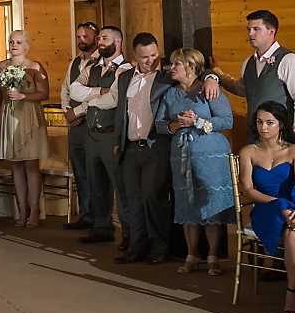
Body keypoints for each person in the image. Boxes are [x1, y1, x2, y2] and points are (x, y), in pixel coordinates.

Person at [157, 48, 234, 276]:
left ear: (191, 67)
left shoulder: (208, 89)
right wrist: (177, 124)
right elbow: (160, 124)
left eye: (176, 64)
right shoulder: (170, 94)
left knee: (210, 203)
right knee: (186, 202)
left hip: (211, 155)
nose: (171, 68)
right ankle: (192, 253)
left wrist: (197, 121)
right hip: (181, 155)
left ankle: (213, 256)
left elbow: (226, 120)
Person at [111, 33, 175, 264]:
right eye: (145, 57)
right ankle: (137, 246)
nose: (151, 61)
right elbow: (122, 110)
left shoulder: (167, 75)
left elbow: (196, 70)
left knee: (153, 198)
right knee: (134, 199)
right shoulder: (125, 77)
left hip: (155, 146)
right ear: (135, 56)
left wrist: (212, 78)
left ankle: (159, 247)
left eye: (154, 55)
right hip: (129, 146)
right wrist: (118, 140)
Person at [67, 26, 133, 247]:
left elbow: (114, 99)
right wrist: (99, 92)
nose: (100, 42)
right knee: (96, 184)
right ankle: (102, 228)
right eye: (100, 38)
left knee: (120, 186)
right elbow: (74, 89)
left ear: (118, 42)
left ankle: (129, 233)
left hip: (111, 134)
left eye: (105, 38)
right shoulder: (92, 67)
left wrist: (86, 103)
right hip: (92, 134)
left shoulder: (125, 69)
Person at [238, 101, 295, 313]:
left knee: (292, 234)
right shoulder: (248, 151)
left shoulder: (292, 150)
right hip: (264, 209)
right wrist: (277, 204)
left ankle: (291, 293)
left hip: (291, 211)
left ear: (281, 124)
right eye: (260, 122)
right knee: (283, 209)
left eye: (269, 122)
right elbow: (248, 190)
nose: (263, 127)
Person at [211, 10, 295, 144]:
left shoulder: (288, 60)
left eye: (256, 29)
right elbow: (242, 89)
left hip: (281, 140)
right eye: (249, 29)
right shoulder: (248, 62)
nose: (251, 34)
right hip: (255, 138)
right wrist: (217, 74)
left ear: (271, 32)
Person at [0, 31, 50, 227]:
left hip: (30, 115)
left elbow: (44, 93)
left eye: (18, 42)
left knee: (31, 164)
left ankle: (34, 209)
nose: (14, 45)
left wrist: (24, 96)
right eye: (11, 42)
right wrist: (0, 117)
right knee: (16, 164)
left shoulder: (35, 67)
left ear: (26, 46)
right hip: (9, 115)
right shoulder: (1, 67)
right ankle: (22, 209)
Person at [61, 22, 101, 231]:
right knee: (80, 171)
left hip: (92, 122)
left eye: (86, 36)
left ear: (96, 38)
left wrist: (77, 112)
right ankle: (86, 214)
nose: (81, 40)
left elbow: (100, 93)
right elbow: (66, 88)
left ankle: (99, 218)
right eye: (79, 36)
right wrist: (67, 111)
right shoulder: (75, 61)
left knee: (95, 172)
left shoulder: (101, 62)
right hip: (74, 123)